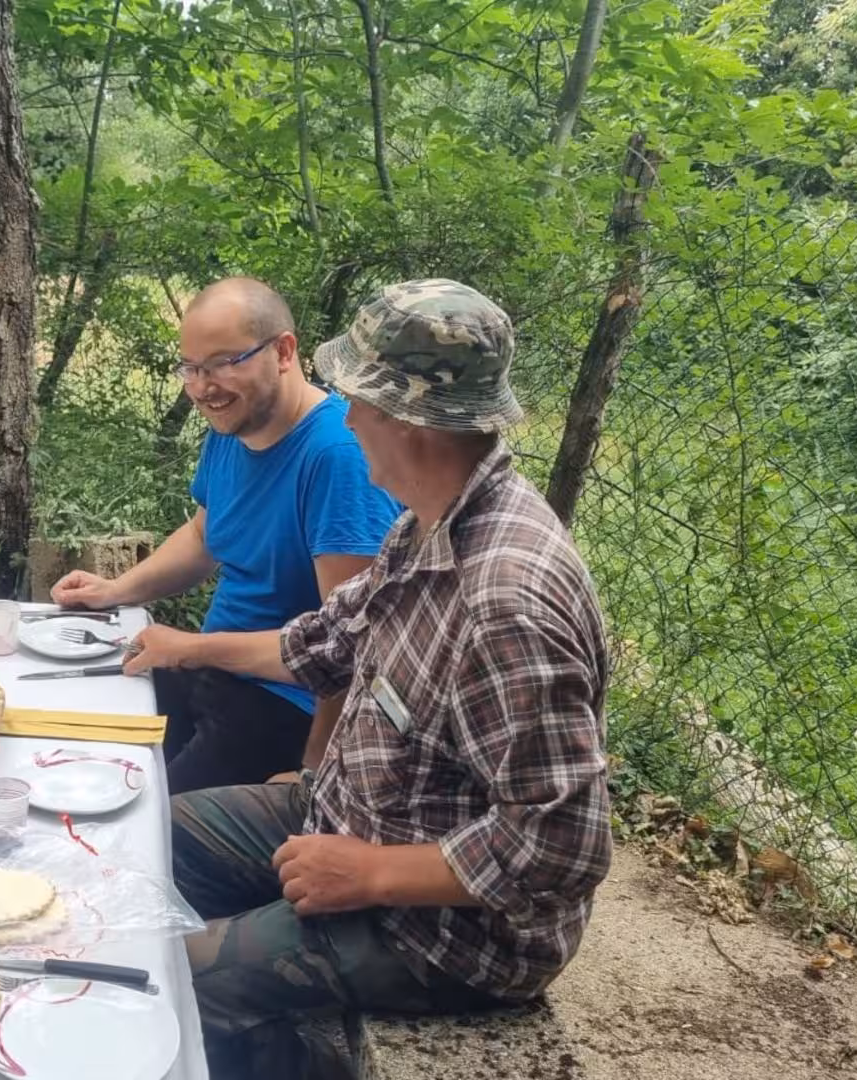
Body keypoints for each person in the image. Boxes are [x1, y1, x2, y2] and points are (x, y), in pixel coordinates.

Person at [149, 280, 612, 1079]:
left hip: (445, 931)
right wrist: (186, 649)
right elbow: (324, 643)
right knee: (145, 840)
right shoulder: (424, 524)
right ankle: (264, 1039)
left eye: (359, 397)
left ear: (407, 419)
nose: (346, 416)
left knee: (174, 978)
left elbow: (562, 847)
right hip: (345, 811)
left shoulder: (507, 601)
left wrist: (369, 873)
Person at [51, 277, 401, 793]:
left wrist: (314, 771)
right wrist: (114, 591)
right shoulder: (231, 427)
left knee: (146, 821)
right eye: (190, 367)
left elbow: (351, 648)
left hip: (284, 705)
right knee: (78, 752)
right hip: (207, 672)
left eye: (222, 363)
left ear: (283, 351)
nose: (201, 386)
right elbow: (204, 536)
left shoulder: (335, 458)